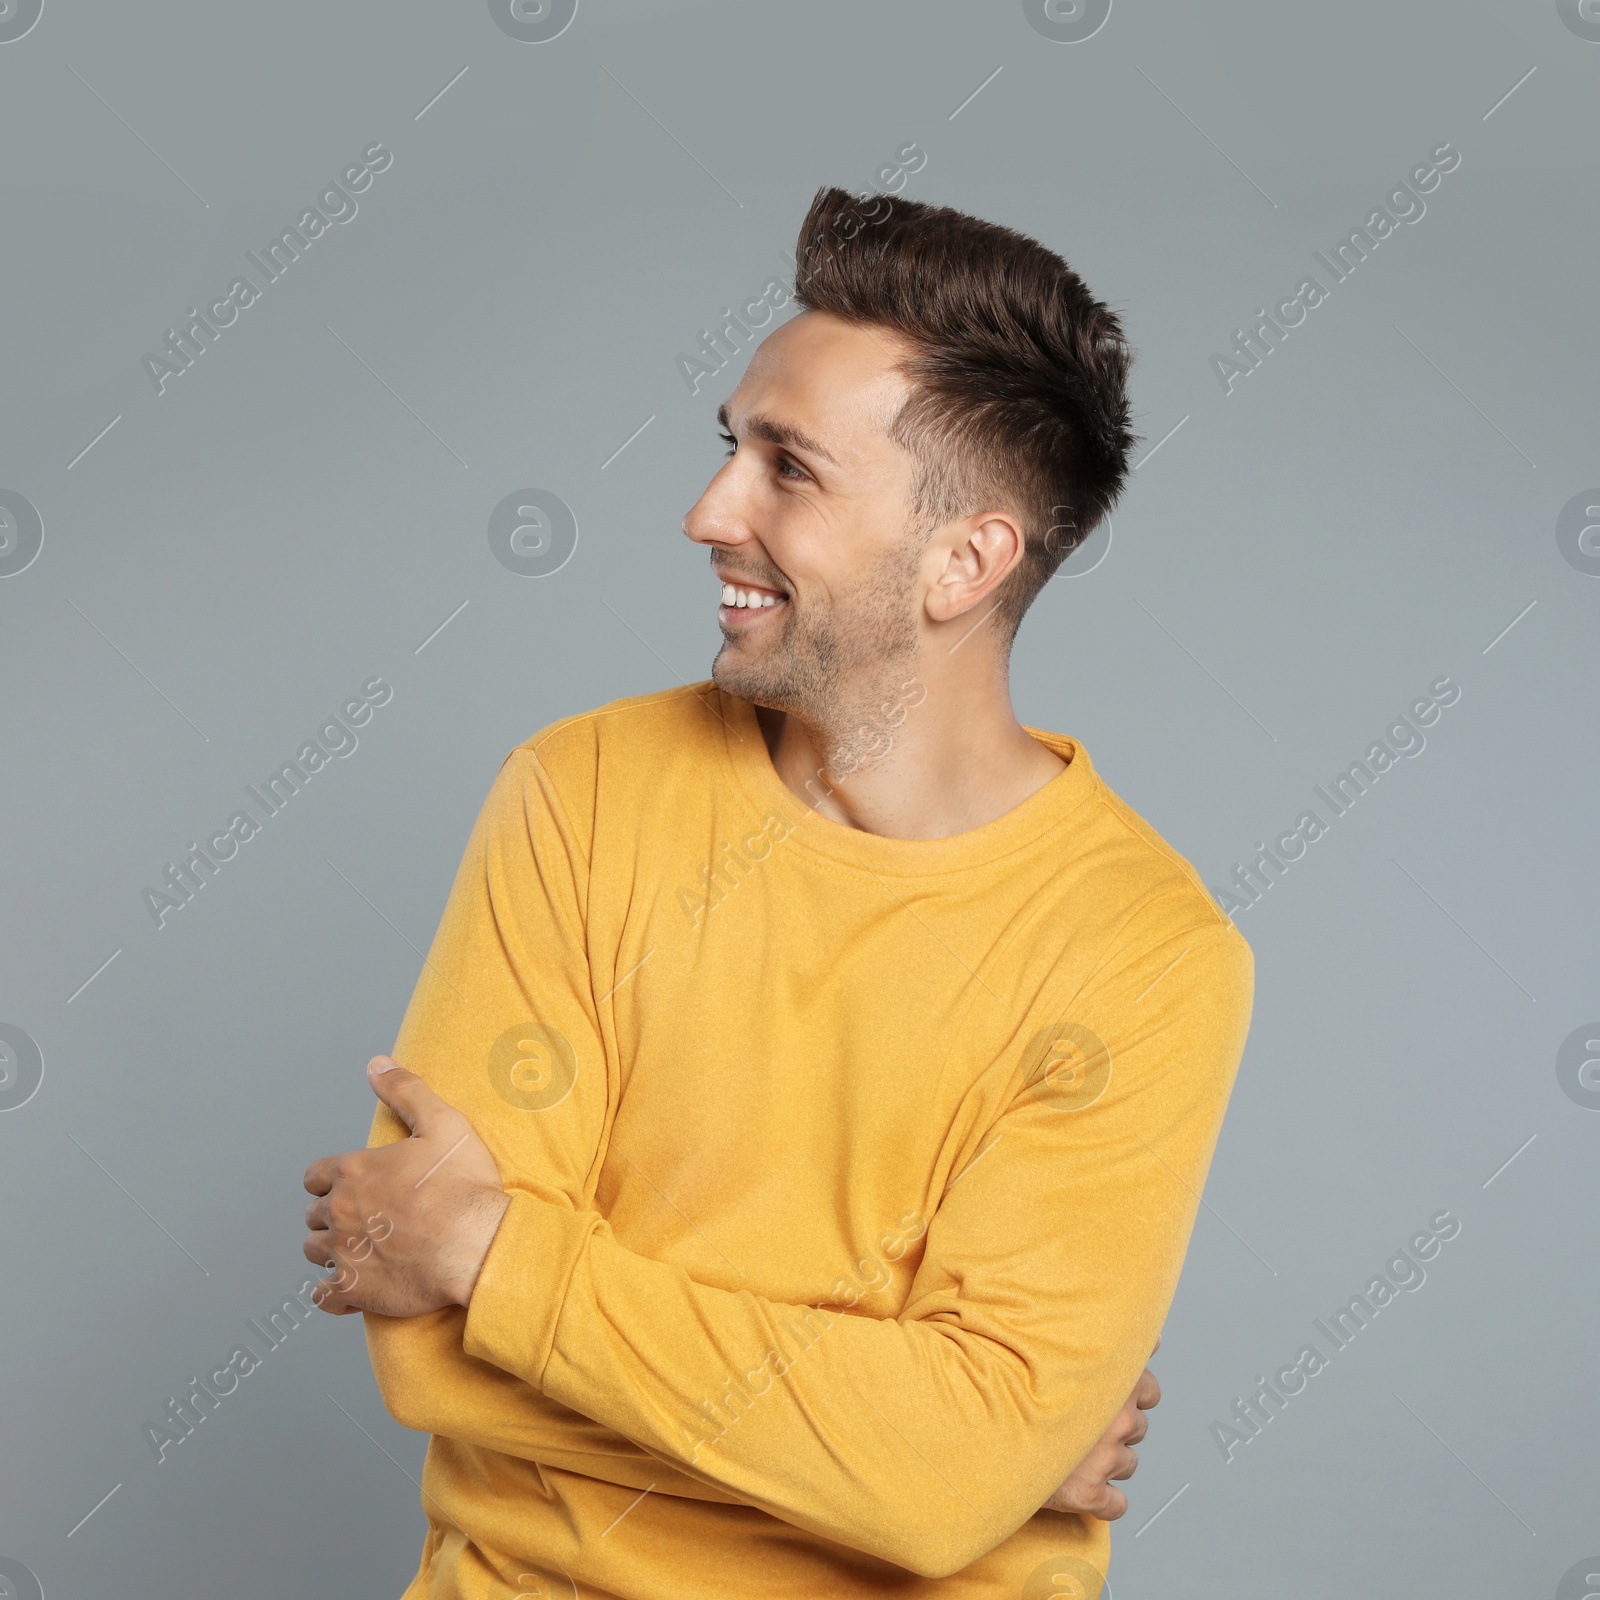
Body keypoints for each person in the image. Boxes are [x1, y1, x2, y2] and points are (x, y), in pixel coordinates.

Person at [303, 184, 1254, 1598]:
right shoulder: (581, 795)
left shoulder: (1147, 953)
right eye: (728, 449)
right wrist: (951, 1455)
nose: (706, 511)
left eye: (786, 468)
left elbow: (940, 1482)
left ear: (965, 561)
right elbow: (432, 1350)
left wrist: (502, 1258)